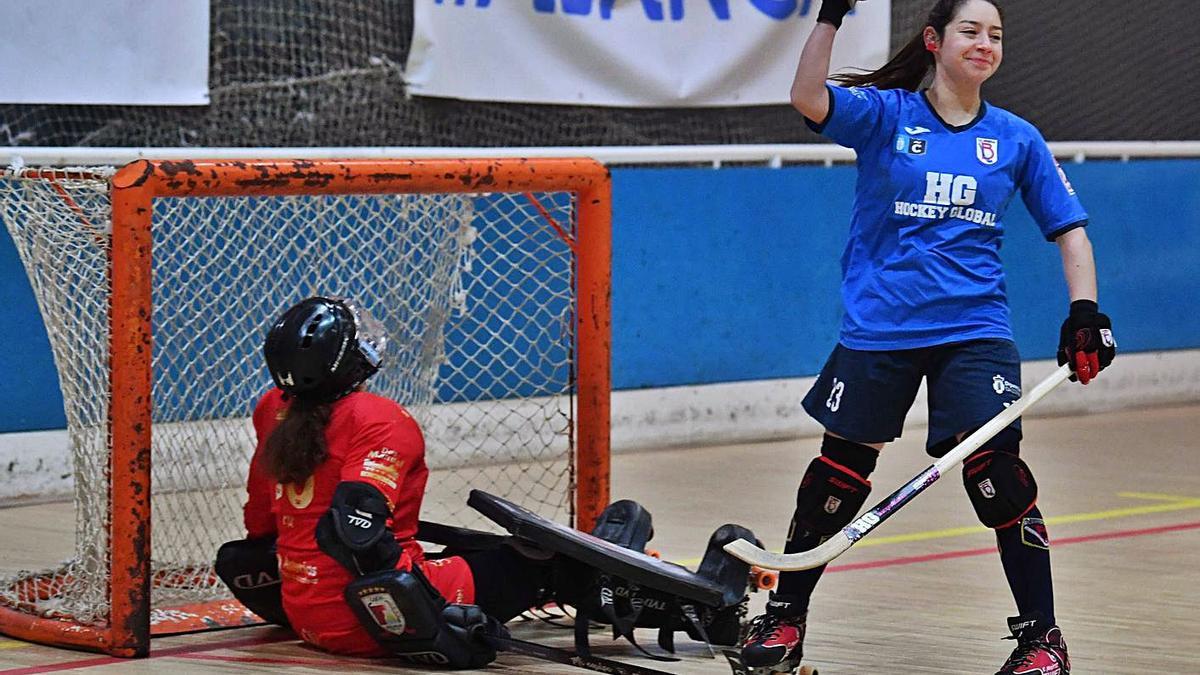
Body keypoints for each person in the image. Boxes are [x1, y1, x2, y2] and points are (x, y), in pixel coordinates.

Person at [737, 2, 1116, 674]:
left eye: (996, 34)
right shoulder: (887, 117)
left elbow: (1071, 231)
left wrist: (1085, 313)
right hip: (881, 327)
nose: (985, 43)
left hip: (975, 331)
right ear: (935, 42)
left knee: (998, 474)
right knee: (838, 475)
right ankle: (785, 620)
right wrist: (829, 16)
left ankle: (1043, 642)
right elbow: (807, 97)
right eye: (971, 30)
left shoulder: (1017, 138)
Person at [219, 295, 756, 668]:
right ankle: (703, 614)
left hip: (308, 613)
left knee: (496, 550)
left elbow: (261, 523)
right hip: (367, 619)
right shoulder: (376, 418)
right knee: (543, 563)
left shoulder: (274, 408)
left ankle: (607, 569)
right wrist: (428, 624)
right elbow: (355, 533)